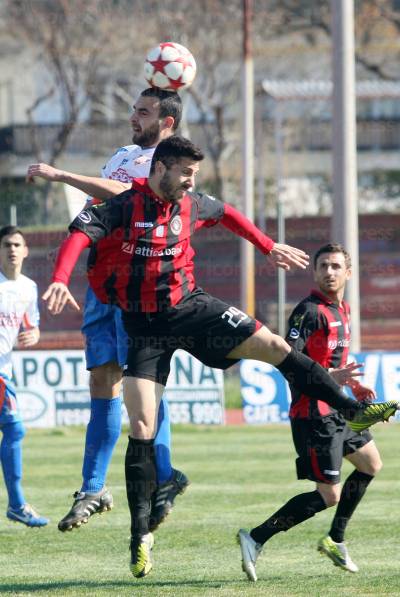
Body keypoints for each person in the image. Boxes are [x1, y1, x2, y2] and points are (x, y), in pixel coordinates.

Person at [42, 137, 397, 578]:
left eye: (194, 174)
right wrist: (59, 278)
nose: (192, 181)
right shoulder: (123, 206)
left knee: (275, 347)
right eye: (186, 173)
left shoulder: (190, 203)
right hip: (144, 328)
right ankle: (141, 536)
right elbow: (79, 233)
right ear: (161, 168)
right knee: (141, 426)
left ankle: (354, 411)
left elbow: (227, 213)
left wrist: (268, 246)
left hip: (193, 308)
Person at [26, 88, 189, 533]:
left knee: (143, 382)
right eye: (134, 110)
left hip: (137, 282)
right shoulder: (122, 152)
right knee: (102, 377)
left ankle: (165, 474)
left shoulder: (166, 165)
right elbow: (97, 213)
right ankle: (93, 488)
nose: (133, 117)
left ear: (168, 122)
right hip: (102, 280)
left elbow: (122, 196)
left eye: (143, 112)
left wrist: (63, 175)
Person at [237, 243, 386, 582]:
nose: (329, 272)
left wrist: (353, 388)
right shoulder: (308, 311)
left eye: (336, 266)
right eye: (323, 266)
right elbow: (290, 364)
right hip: (314, 415)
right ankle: (256, 537)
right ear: (315, 271)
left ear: (348, 272)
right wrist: (332, 380)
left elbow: (331, 364)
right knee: (328, 495)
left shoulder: (343, 310)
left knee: (371, 464)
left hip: (338, 409)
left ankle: (335, 539)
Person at [0, 225, 48, 527]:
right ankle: (17, 504)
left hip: (6, 369)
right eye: (6, 244)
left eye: (17, 244)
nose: (12, 249)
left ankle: (17, 504)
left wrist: (35, 333)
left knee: (14, 431)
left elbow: (31, 323)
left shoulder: (29, 288)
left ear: (26, 250)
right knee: (15, 430)